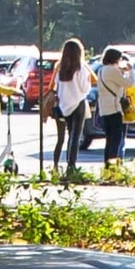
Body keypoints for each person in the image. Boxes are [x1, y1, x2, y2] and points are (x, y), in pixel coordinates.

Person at [52, 38, 93, 178]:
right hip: (78, 103)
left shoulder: (61, 68)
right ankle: (71, 165)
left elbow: (57, 87)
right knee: (76, 136)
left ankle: (68, 163)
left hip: (65, 105)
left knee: (70, 135)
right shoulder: (80, 68)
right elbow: (85, 88)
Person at [94, 46, 133, 165]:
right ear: (115, 59)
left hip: (104, 109)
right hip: (114, 109)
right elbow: (129, 83)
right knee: (116, 140)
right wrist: (131, 71)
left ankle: (107, 165)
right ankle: (112, 167)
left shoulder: (102, 70)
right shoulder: (112, 70)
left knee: (109, 140)